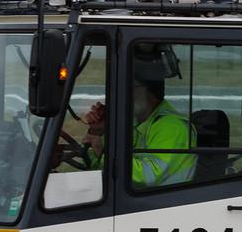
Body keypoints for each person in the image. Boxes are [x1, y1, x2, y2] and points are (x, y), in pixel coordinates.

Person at [66, 50, 197, 188]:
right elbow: (97, 167)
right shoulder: (136, 123)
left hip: (165, 200)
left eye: (130, 88)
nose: (124, 94)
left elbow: (148, 177)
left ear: (150, 90)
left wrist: (103, 152)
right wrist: (98, 132)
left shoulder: (172, 127)